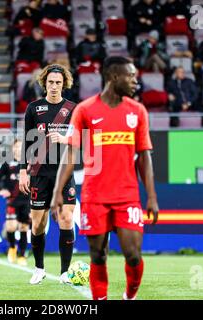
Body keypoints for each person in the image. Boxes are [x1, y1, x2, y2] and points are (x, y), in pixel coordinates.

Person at [51, 56, 159, 300]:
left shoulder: (137, 111)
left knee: (133, 254)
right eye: (130, 76)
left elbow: (144, 156)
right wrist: (58, 192)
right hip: (95, 197)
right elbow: (71, 153)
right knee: (98, 255)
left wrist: (151, 196)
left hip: (127, 197)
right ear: (113, 77)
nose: (135, 81)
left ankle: (129, 297)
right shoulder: (85, 110)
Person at [19, 64, 77, 285]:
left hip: (63, 173)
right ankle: (39, 268)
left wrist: (64, 139)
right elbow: (26, 141)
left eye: (58, 83)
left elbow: (83, 140)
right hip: (39, 173)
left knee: (66, 218)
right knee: (38, 224)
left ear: (64, 84)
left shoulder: (72, 109)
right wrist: (22, 171)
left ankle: (64, 273)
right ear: (45, 83)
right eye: (51, 82)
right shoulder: (34, 108)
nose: (54, 86)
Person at [0, 140, 31, 266]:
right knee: (11, 226)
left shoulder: (30, 162)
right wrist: (1, 189)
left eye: (21, 146)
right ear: (13, 148)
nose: (18, 149)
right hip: (12, 200)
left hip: (26, 199)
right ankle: (12, 248)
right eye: (16, 146)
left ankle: (22, 255)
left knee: (23, 228)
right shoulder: (7, 162)